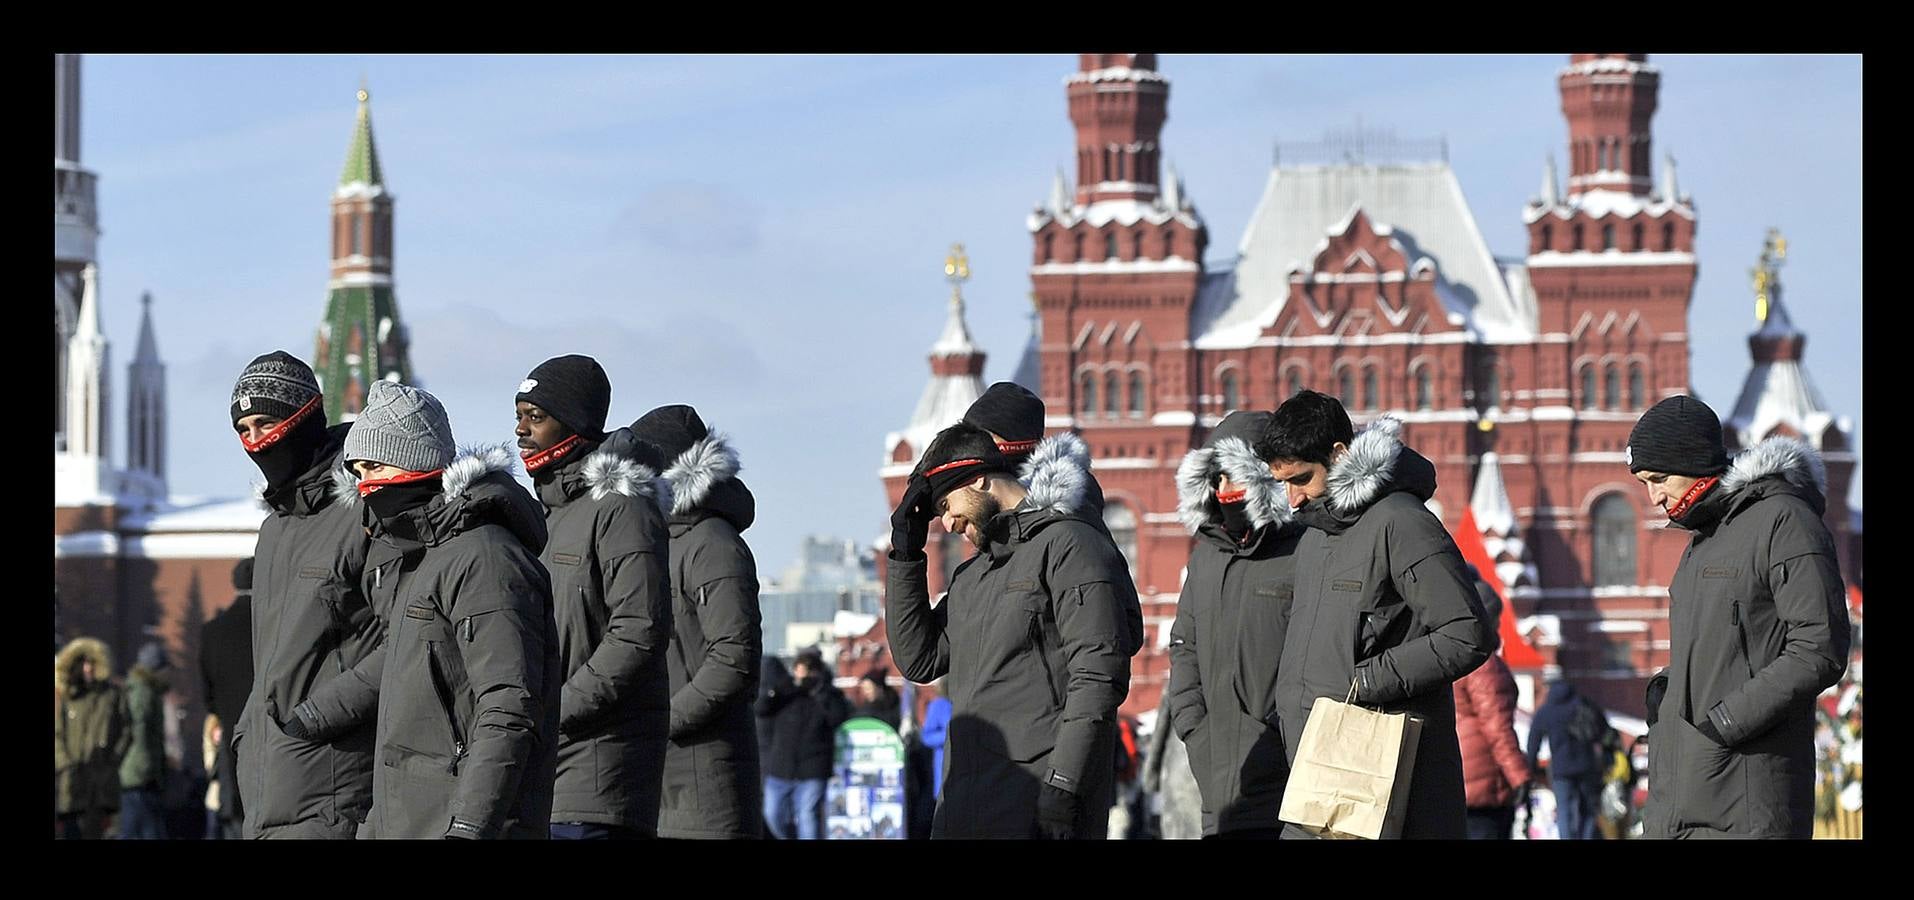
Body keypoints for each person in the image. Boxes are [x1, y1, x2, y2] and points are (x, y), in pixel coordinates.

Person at [308, 380, 561, 839]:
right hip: (406, 820)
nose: (365, 486)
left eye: (375, 466)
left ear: (415, 463)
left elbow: (507, 703)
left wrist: (468, 825)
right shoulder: (425, 560)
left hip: (461, 824)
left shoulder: (484, 557)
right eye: (357, 470)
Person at [885, 421, 1143, 839]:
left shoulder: (1069, 545)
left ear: (980, 479)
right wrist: (905, 554)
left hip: (1037, 801)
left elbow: (1098, 675)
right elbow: (920, 658)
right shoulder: (974, 576)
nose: (947, 523)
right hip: (963, 801)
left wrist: (1063, 785)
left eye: (948, 505)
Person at [1254, 394, 1493, 839]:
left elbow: (1467, 633)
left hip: (1384, 776)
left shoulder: (1401, 522)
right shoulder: (1313, 540)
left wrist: (1366, 681)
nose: (1292, 498)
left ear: (1339, 455)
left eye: (1302, 478)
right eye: (1281, 483)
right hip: (1319, 770)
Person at [1628, 396, 1849, 839]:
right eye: (1643, 482)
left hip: (1748, 796)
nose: (1653, 496)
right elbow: (1723, 650)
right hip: (1685, 793)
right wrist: (1669, 700)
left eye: (1659, 478)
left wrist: (1725, 722)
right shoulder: (1705, 538)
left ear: (1693, 461)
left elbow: (1819, 647)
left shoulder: (1784, 521)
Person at [515, 356, 674, 840]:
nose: (521, 431)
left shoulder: (621, 509)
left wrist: (557, 709)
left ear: (575, 424)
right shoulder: (546, 515)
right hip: (543, 768)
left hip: (597, 777)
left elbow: (639, 631)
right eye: (518, 416)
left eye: (535, 417)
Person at [226, 351, 378, 839]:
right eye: (243, 429)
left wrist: (317, 716)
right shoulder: (274, 531)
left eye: (266, 423)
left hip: (338, 784)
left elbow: (410, 637)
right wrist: (249, 731)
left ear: (305, 416)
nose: (256, 442)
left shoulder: (365, 513)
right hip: (268, 786)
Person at [1165, 410, 1302, 839]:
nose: (1225, 491)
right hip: (1217, 775)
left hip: (1288, 777)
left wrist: (1277, 729)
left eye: (1235, 477)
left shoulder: (1304, 550)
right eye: (1217, 480)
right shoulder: (1206, 558)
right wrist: (1193, 724)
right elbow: (1184, 645)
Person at [632, 404, 766, 840]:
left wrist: (657, 722)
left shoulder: (712, 544)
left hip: (702, 787)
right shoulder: (656, 543)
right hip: (657, 780)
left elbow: (733, 660)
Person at [1453, 570, 1534, 840]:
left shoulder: (1451, 657)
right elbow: (1497, 727)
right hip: (1484, 783)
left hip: (1455, 777)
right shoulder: (1484, 665)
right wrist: (1519, 776)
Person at [757, 647, 848, 840]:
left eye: (807, 672)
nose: (802, 676)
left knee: (807, 816)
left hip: (812, 769)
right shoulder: (786, 692)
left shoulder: (829, 694)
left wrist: (820, 690)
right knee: (771, 814)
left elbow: (838, 717)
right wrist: (778, 689)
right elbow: (761, 709)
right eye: (798, 670)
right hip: (780, 768)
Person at [199, 558, 254, 839]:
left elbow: (206, 693)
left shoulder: (212, 631)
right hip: (268, 729)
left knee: (234, 811)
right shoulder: (269, 625)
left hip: (230, 728)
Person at [54, 637, 126, 839]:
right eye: (83, 663)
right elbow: (57, 733)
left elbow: (126, 731)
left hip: (101, 782)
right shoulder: (69, 697)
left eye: (91, 663)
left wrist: (113, 759)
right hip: (73, 781)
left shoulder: (111, 696)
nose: (88, 668)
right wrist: (65, 764)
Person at [1526, 679, 1606, 840]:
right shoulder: (1583, 705)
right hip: (1587, 766)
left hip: (1561, 769)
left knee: (1564, 811)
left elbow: (1533, 742)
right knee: (1588, 810)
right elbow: (1602, 730)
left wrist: (1531, 768)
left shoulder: (1546, 711)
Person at [118, 642, 172, 839]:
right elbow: (139, 731)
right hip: (139, 776)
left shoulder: (146, 690)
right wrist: (147, 768)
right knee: (143, 831)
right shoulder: (143, 692)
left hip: (138, 775)